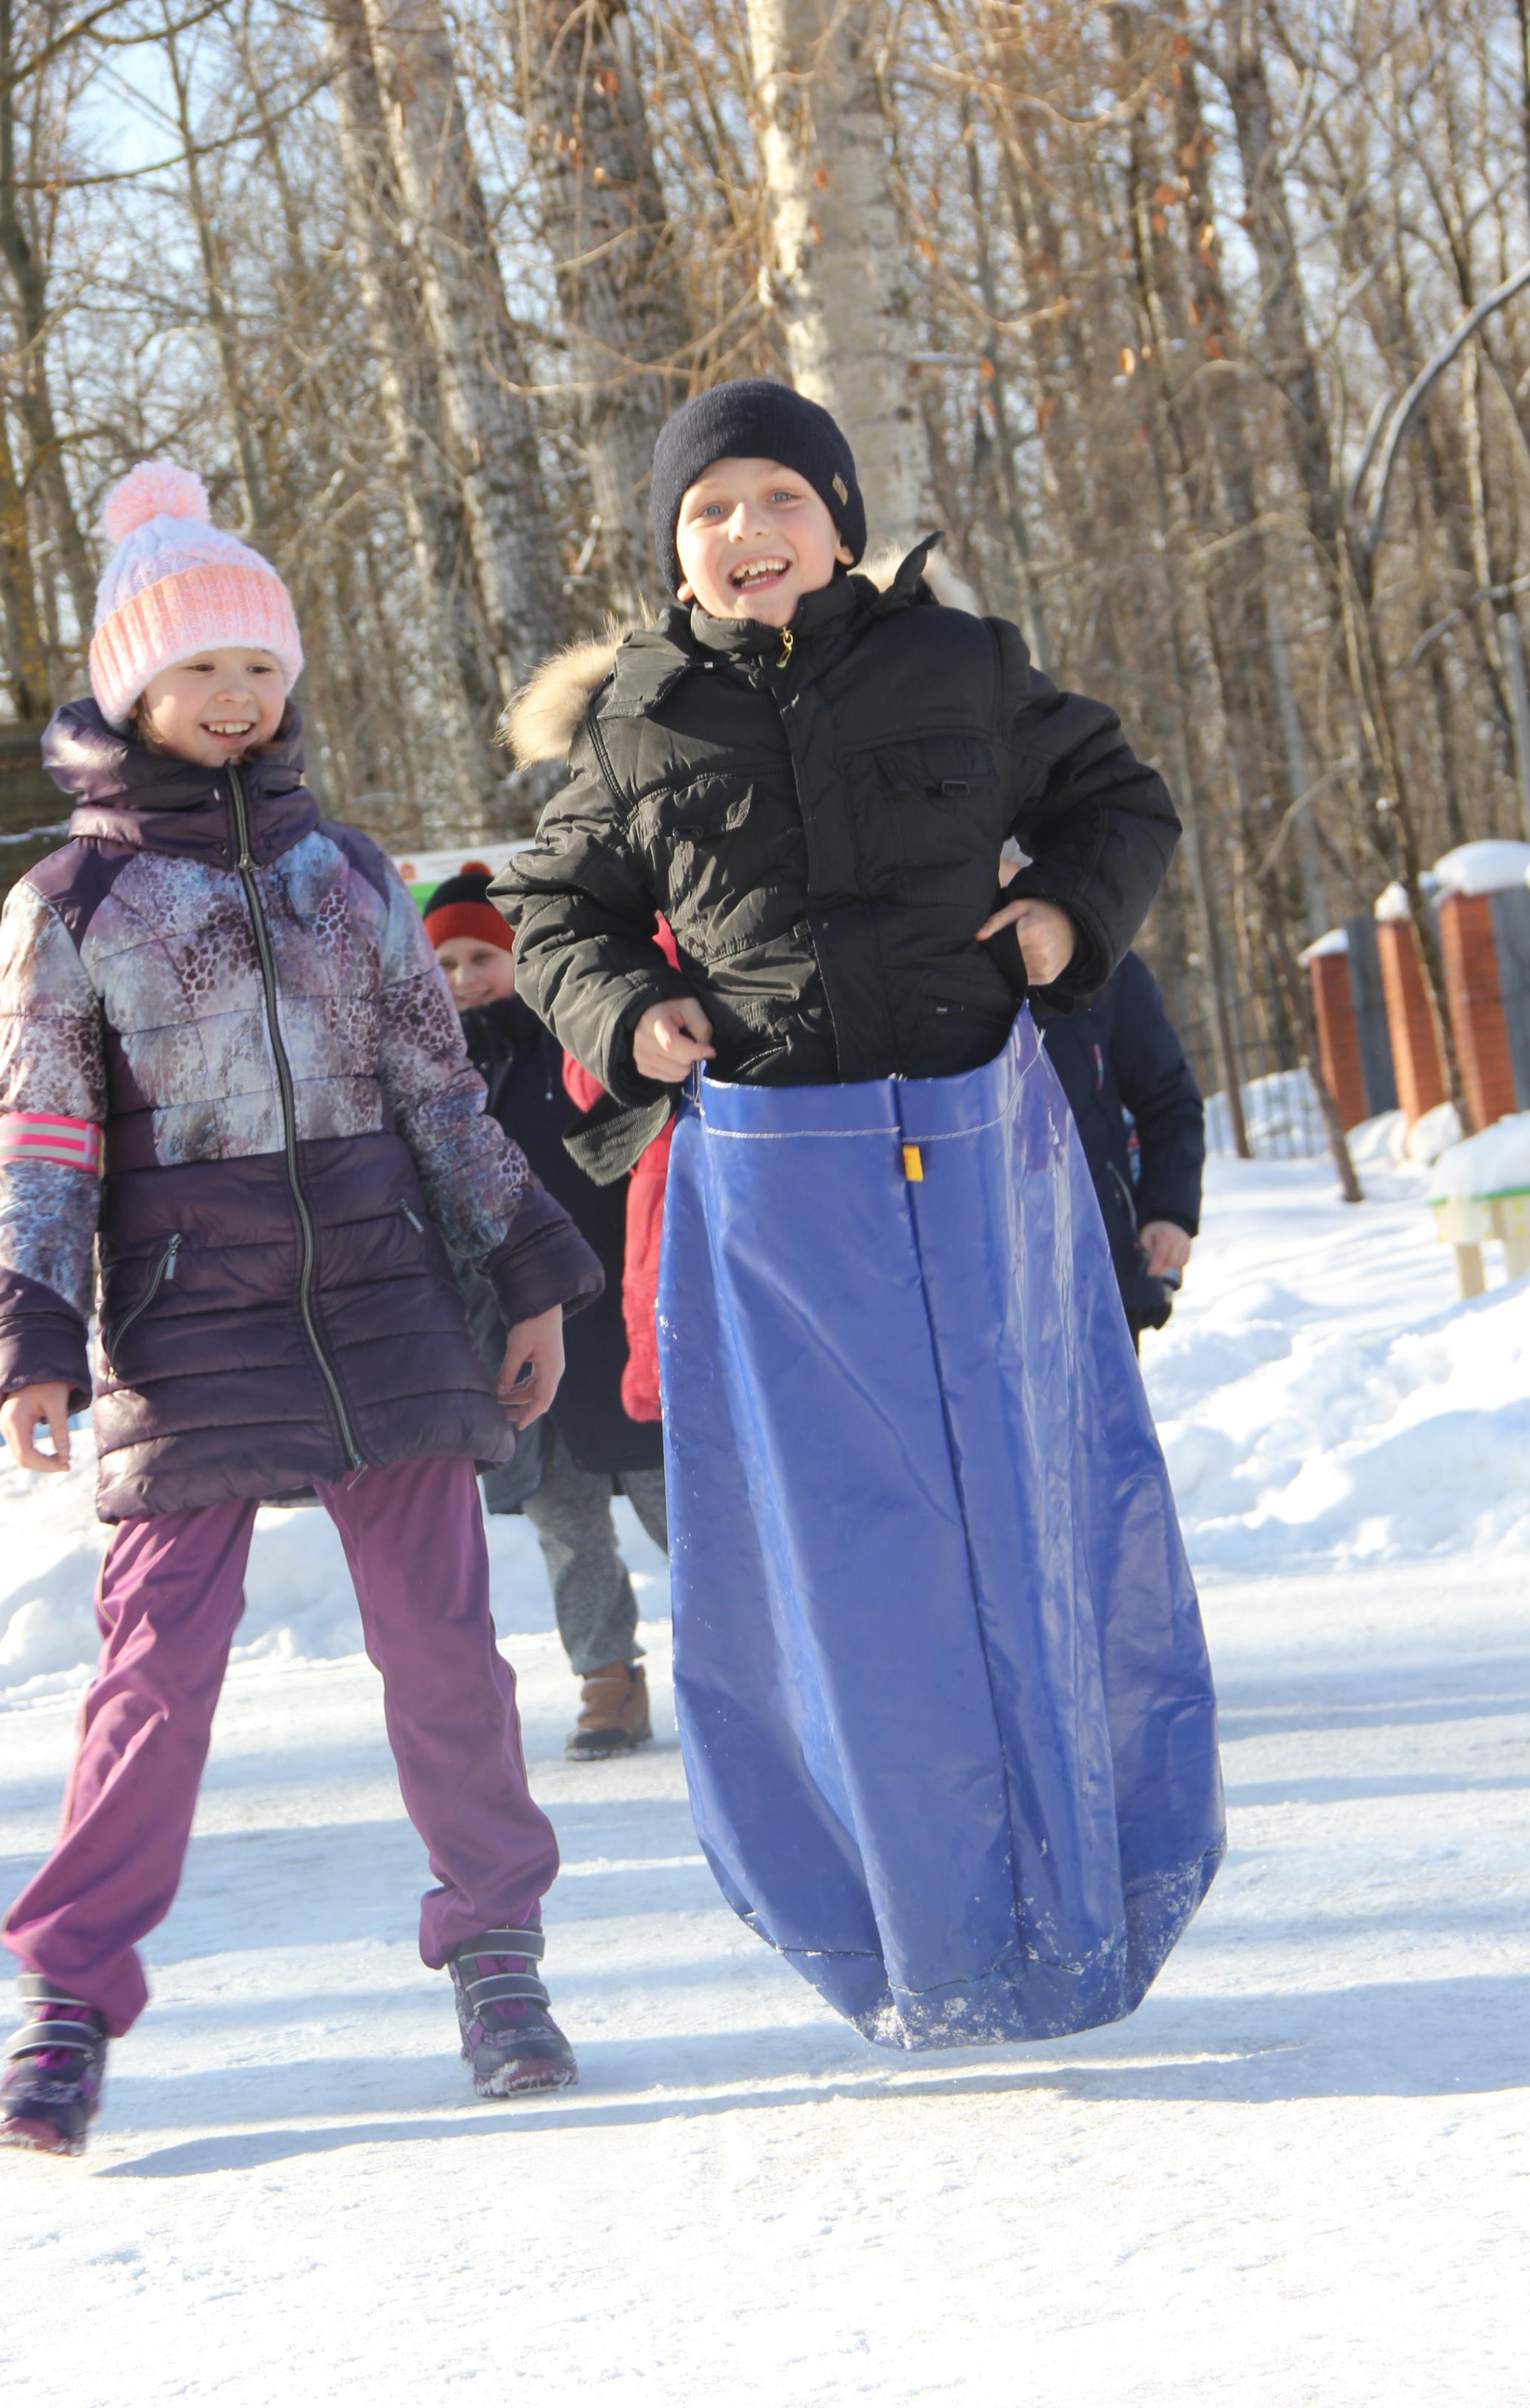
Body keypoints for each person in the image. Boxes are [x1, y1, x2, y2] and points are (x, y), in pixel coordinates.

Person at [494, 380, 1226, 2051]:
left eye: (776, 497)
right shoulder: (638, 720)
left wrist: (1061, 920)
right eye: (706, 511)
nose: (744, 532)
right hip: (778, 1178)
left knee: (1023, 1519)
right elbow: (549, 910)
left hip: (980, 1156)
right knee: (846, 1563)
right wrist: (628, 1010)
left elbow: (1117, 800)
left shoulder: (958, 663)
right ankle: (915, 1933)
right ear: (672, 550)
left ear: (837, 516)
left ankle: (1087, 1898)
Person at [0, 463, 602, 2154]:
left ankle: (496, 1950)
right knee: (153, 1674)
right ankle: (68, 2000)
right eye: (202, 669)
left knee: (444, 1649)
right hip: (186, 1326)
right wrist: (32, 1329)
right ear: (133, 688)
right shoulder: (72, 906)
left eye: (261, 665)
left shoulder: (351, 875)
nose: (238, 696)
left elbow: (440, 1095)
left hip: (388, 1304)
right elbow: (41, 1138)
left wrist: (529, 1273)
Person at [422, 864, 668, 1758]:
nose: (465, 979)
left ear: (522, 959)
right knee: (564, 1521)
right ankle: (607, 1676)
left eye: (482, 957)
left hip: (607, 1320)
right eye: (446, 964)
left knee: (674, 1502)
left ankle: (754, 1655)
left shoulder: (573, 1047)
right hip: (504, 1333)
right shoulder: (430, 1074)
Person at [1036, 948, 1204, 1350]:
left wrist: (1168, 1210)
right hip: (975, 1284)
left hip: (1101, 1267)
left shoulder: (1102, 960)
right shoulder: (933, 954)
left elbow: (1168, 1100)